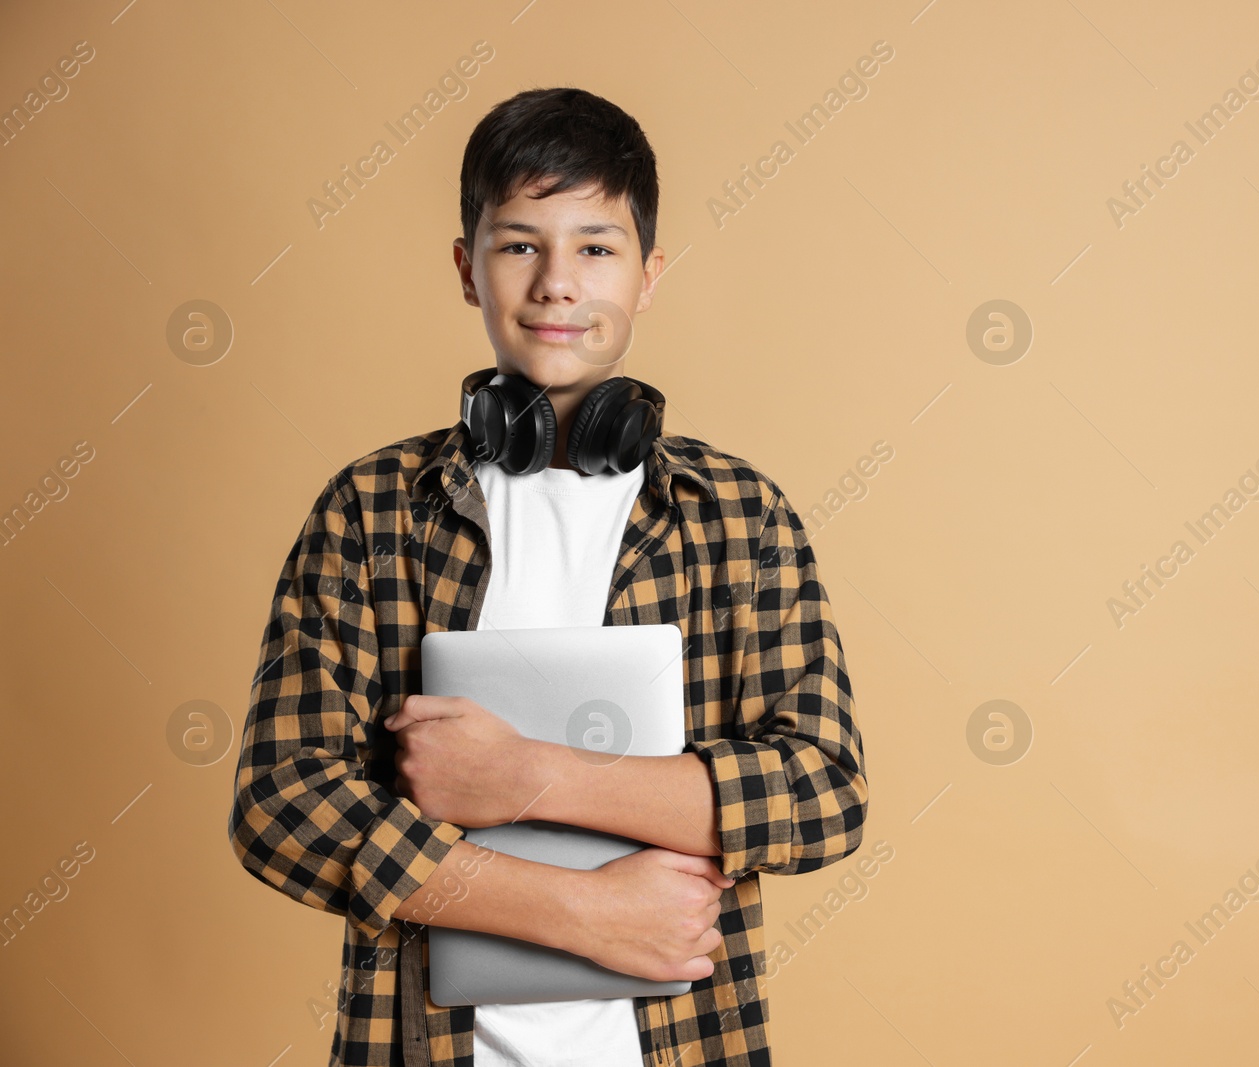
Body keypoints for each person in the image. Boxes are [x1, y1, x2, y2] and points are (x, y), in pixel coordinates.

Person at [227, 86, 869, 1067]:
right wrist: (581, 910)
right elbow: (282, 800)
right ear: (466, 267)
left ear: (649, 275)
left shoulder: (739, 515)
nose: (555, 284)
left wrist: (531, 775)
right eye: (520, 244)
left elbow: (822, 791)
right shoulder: (370, 509)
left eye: (596, 248)